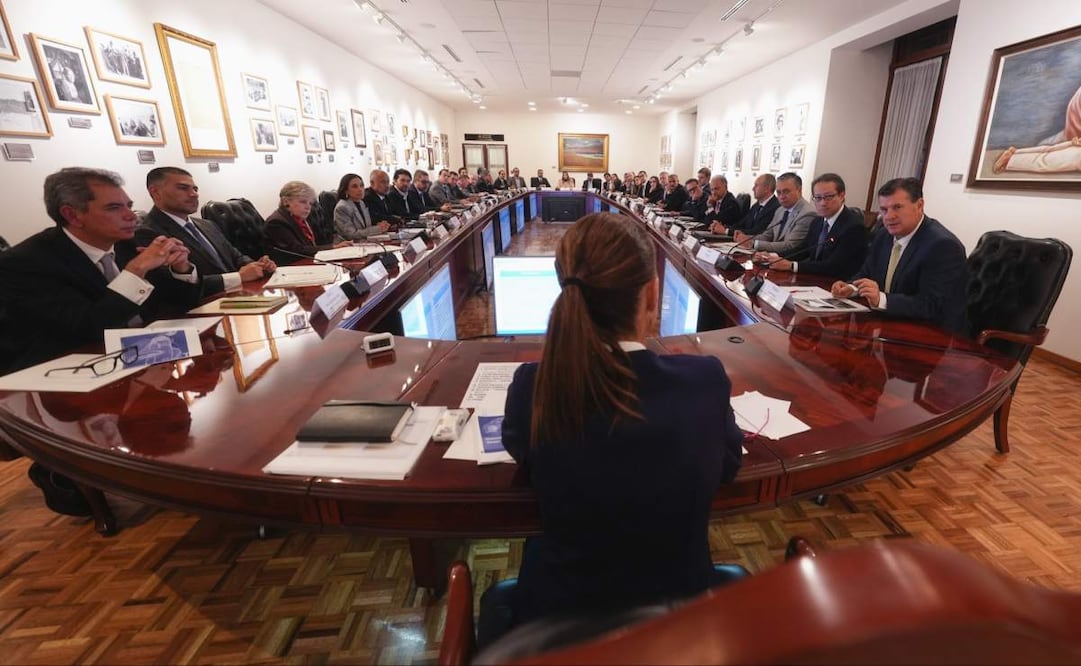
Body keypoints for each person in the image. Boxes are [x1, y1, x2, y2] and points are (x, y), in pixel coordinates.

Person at [500, 212, 743, 631]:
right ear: (652, 294)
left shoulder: (533, 385)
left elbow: (524, 454)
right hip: (683, 622)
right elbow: (728, 465)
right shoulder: (705, 380)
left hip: (561, 625)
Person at [0, 167, 202, 516]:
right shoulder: (27, 262)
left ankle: (176, 465)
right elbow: (86, 325)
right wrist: (136, 271)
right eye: (113, 208)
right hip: (63, 373)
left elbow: (174, 301)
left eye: (129, 204)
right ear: (72, 214)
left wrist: (181, 269)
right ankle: (63, 471)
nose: (130, 215)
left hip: (135, 353)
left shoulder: (124, 245)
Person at [831, 177, 968, 333]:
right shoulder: (884, 235)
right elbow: (867, 272)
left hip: (927, 336)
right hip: (887, 325)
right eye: (884, 209)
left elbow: (931, 305)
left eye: (897, 207)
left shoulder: (943, 246)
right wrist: (851, 287)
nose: (889, 216)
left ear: (920, 205)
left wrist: (881, 299)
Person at [138, 167, 275, 296]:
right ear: (155, 192)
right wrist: (238, 277)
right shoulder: (147, 233)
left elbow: (236, 256)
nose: (194, 194)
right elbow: (172, 288)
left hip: (239, 297)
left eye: (195, 189)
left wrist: (258, 265)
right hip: (197, 310)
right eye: (183, 188)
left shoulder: (207, 225)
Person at [759, 172, 867, 279]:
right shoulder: (817, 221)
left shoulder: (854, 227)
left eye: (828, 197)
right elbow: (803, 249)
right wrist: (774, 257)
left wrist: (792, 266)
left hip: (837, 285)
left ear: (842, 195)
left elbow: (834, 266)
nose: (823, 203)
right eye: (818, 198)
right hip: (815, 280)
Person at [264, 180, 348, 264]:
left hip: (311, 262)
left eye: (310, 203)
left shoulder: (300, 218)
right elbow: (297, 251)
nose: (308, 207)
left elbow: (314, 245)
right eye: (303, 202)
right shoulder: (276, 222)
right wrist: (333, 247)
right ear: (286, 201)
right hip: (292, 268)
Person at [734, 172, 813, 254]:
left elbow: (790, 246)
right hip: (771, 257)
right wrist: (746, 238)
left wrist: (753, 244)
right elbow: (767, 235)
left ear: (799, 190)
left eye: (786, 191)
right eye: (779, 192)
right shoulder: (780, 210)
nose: (782, 196)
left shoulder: (807, 213)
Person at [714, 173, 778, 236]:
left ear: (767, 189)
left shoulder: (775, 207)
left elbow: (757, 231)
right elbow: (742, 224)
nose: (753, 189)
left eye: (756, 185)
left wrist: (726, 231)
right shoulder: (756, 205)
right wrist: (724, 227)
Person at [333, 173, 390, 240]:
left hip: (364, 243)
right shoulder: (342, 207)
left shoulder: (361, 203)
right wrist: (378, 229)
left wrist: (380, 226)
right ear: (346, 190)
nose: (360, 189)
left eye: (361, 185)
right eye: (355, 186)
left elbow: (366, 228)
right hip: (348, 246)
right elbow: (351, 235)